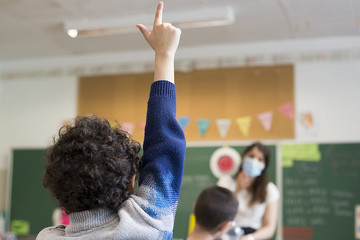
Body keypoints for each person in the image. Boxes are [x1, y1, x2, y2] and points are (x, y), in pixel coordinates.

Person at [37, 2, 186, 239]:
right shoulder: (145, 226)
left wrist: (164, 55)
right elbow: (164, 149)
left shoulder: (47, 237)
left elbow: (165, 151)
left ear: (59, 189)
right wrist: (164, 55)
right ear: (130, 183)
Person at [218, 142, 279, 240]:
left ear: (264, 165)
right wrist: (238, 189)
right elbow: (220, 213)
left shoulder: (270, 190)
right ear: (243, 158)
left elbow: (270, 228)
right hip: (227, 234)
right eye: (251, 156)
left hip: (254, 235)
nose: (254, 161)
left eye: (260, 159)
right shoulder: (226, 181)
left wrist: (250, 238)